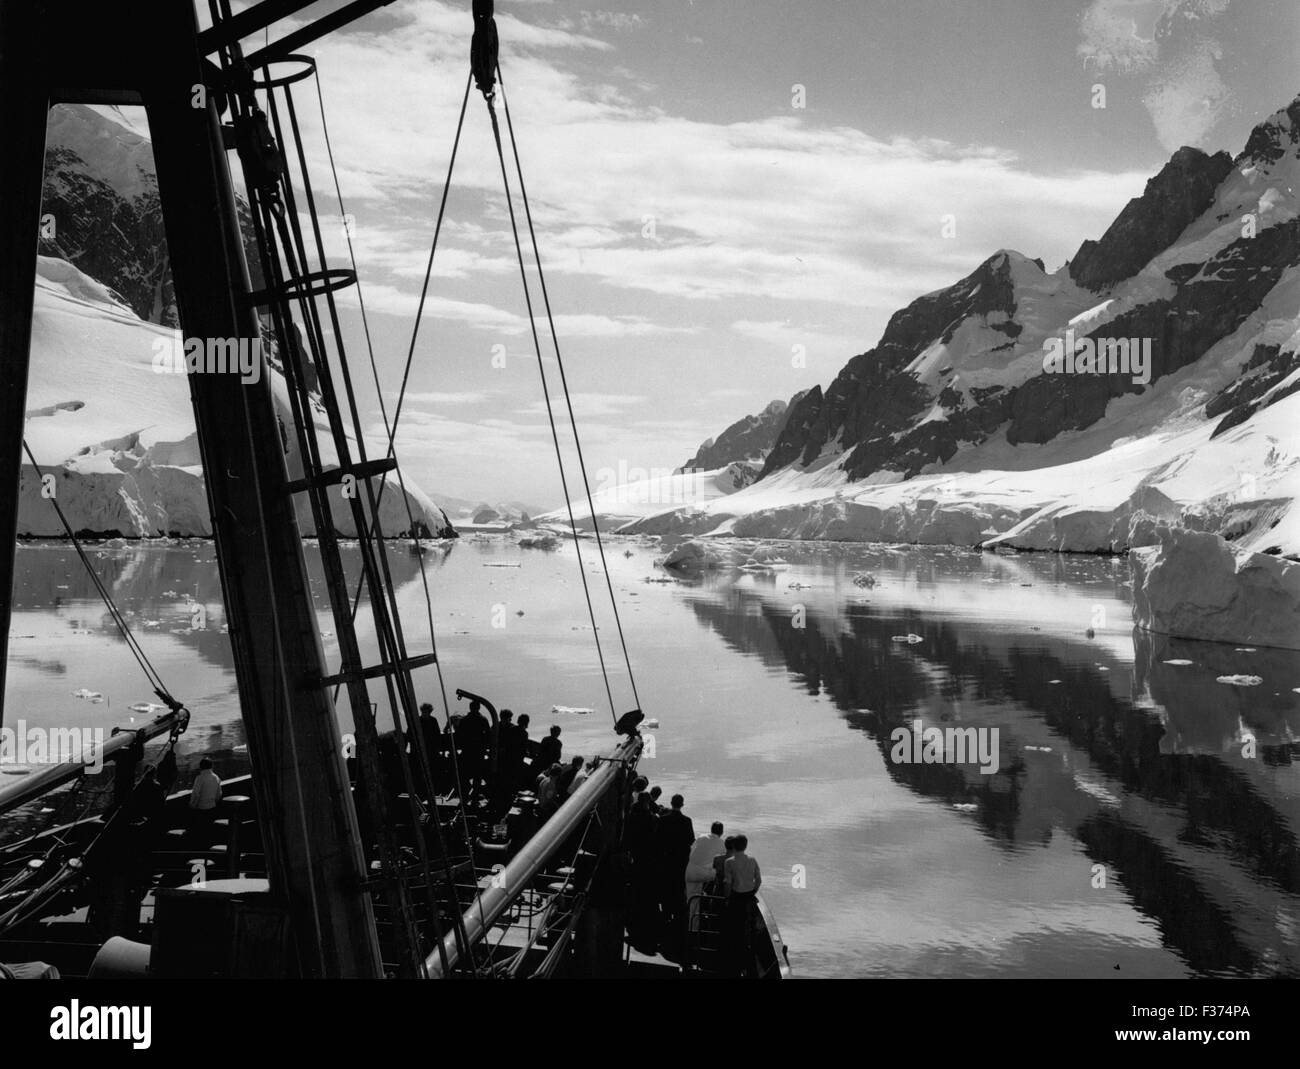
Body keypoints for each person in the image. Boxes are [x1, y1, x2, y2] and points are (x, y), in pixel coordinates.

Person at [722, 833, 762, 977]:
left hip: (736, 898)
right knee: (747, 926)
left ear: (734, 846)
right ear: (745, 846)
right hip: (748, 897)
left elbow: (728, 883)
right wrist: (753, 892)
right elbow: (758, 880)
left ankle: (733, 954)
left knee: (734, 927)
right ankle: (747, 955)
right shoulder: (752, 860)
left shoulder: (729, 862)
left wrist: (727, 899)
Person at [654, 794, 695, 927]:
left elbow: (657, 839)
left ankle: (666, 912)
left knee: (666, 884)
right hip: (681, 859)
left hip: (666, 858)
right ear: (682, 804)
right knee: (679, 885)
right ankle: (678, 916)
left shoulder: (662, 820)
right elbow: (690, 840)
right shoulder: (687, 821)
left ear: (671, 804)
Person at [685, 821, 727, 931]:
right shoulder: (722, 843)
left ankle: (691, 929)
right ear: (721, 832)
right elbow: (722, 862)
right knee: (718, 877)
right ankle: (712, 906)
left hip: (690, 870)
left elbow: (691, 851)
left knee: (692, 901)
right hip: (706, 874)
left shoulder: (701, 837)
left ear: (711, 829)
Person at [188, 757, 222, 843]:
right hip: (212, 808)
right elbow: (219, 794)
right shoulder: (216, 777)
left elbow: (196, 794)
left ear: (201, 767)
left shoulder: (199, 778)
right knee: (210, 831)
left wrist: (192, 805)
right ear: (211, 766)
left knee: (201, 832)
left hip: (201, 809)